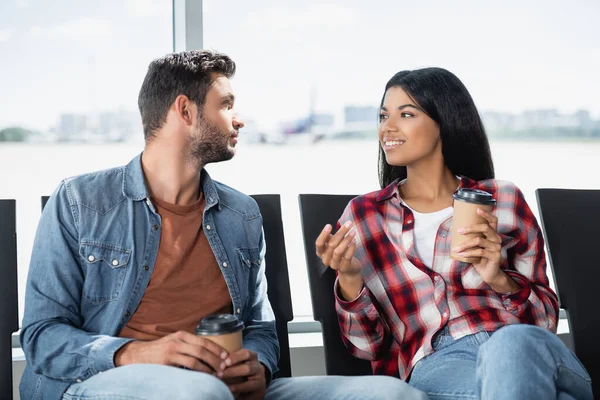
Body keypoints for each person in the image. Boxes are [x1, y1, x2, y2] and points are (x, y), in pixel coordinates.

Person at [19, 50, 429, 400]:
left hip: (221, 390)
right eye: (226, 104)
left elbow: (260, 327)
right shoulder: (81, 201)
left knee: (392, 394)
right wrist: (137, 353)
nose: (239, 119)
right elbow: (41, 338)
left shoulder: (241, 214)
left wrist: (259, 366)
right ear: (184, 110)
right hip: (100, 384)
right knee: (201, 393)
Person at [315, 67, 593, 400]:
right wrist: (348, 279)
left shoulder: (502, 199)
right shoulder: (364, 218)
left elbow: (545, 320)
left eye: (405, 114)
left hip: (526, 346)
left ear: (444, 120)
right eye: (383, 115)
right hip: (438, 362)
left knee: (512, 344)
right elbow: (365, 347)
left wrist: (498, 278)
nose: (387, 127)